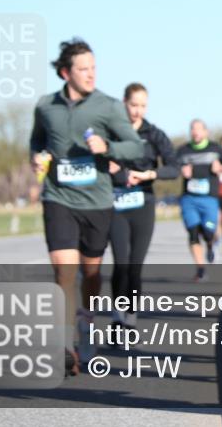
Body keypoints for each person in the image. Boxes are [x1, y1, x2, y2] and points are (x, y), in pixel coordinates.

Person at [29, 38, 144, 375]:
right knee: (64, 273)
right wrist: (36, 157)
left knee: (91, 274)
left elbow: (135, 147)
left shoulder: (109, 106)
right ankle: (65, 346)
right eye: (83, 69)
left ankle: (86, 323)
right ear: (66, 73)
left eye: (93, 68)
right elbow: (37, 141)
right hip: (58, 198)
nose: (91, 74)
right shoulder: (45, 106)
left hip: (97, 202)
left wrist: (107, 146)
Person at [107, 83, 178, 339]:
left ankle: (131, 318)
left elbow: (174, 168)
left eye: (143, 106)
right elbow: (98, 160)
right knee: (121, 264)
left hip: (143, 203)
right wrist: (112, 168)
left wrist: (150, 174)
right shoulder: (112, 132)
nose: (138, 111)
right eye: (133, 105)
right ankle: (117, 318)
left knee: (135, 267)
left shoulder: (154, 134)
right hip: (116, 204)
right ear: (124, 103)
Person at [175, 119, 222, 281]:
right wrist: (181, 170)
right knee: (193, 233)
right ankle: (200, 269)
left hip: (209, 198)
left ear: (206, 132)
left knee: (207, 232)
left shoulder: (215, 148)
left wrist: (220, 167)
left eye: (199, 129)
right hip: (189, 198)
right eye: (193, 129)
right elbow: (172, 168)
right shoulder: (182, 150)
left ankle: (211, 245)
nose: (195, 132)